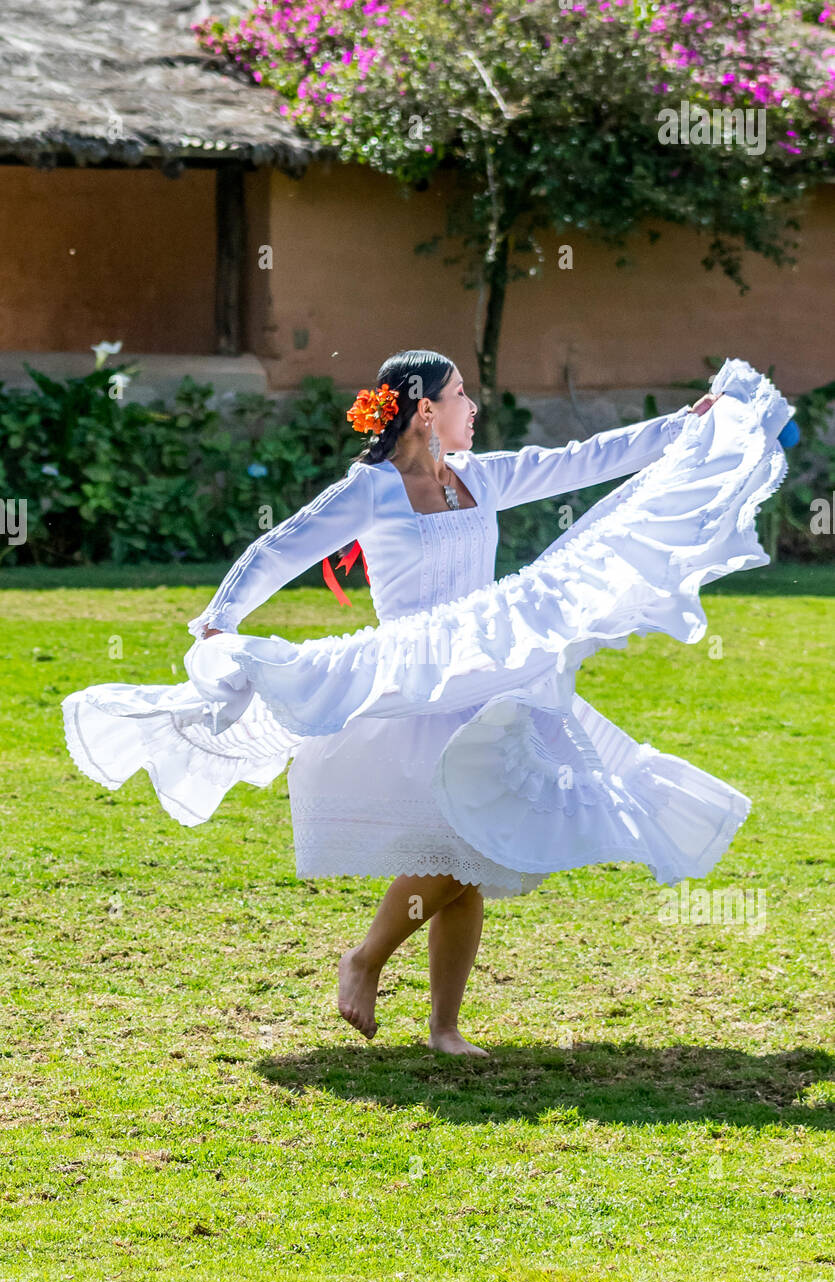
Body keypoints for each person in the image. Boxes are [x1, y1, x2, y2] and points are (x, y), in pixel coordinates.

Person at [62, 349, 794, 1056]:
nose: (471, 407)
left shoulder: (480, 475)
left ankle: (444, 1027)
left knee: (472, 856)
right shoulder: (371, 489)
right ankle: (367, 958)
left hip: (488, 669)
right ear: (422, 412)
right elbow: (281, 548)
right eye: (459, 397)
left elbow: (585, 458)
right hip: (414, 680)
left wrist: (684, 426)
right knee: (461, 846)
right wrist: (221, 619)